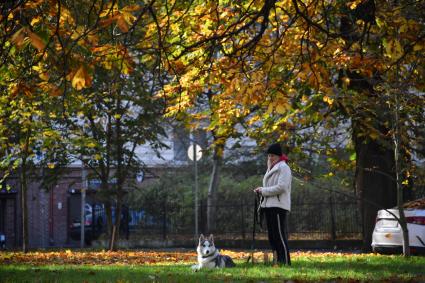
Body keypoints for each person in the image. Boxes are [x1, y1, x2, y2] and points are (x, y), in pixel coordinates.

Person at [254, 143, 291, 265]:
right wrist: (260, 189)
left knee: (279, 236)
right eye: (269, 155)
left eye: (273, 155)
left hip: (278, 206)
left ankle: (285, 261)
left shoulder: (283, 167)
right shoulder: (271, 167)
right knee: (272, 236)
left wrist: (263, 191)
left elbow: (281, 187)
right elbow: (269, 186)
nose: (270, 158)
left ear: (279, 156)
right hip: (268, 205)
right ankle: (277, 261)